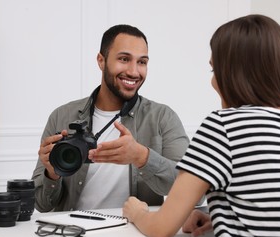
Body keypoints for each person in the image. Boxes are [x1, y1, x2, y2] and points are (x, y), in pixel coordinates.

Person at [123, 14, 280, 237]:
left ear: (233, 73)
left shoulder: (224, 127)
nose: (212, 80)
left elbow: (162, 228)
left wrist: (136, 212)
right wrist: (219, 215)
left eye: (214, 68)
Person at [32, 24, 189, 212]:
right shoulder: (61, 116)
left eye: (142, 62)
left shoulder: (163, 117)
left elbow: (193, 193)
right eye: (124, 59)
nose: (134, 71)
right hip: (74, 235)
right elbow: (41, 204)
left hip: (136, 236)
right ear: (101, 60)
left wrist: (142, 157)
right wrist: (52, 172)